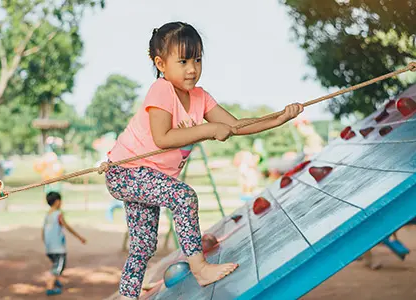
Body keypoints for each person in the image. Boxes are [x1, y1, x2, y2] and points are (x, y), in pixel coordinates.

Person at [104, 21, 303, 299]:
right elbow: (162, 137)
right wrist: (209, 130)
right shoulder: (161, 90)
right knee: (183, 197)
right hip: (126, 171)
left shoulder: (200, 97)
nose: (192, 68)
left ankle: (127, 295)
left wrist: (278, 118)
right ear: (161, 63)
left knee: (144, 245)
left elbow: (235, 125)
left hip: (146, 176)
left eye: (197, 59)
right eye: (183, 60)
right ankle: (199, 267)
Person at [42, 191, 87, 296]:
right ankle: (50, 287)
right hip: (58, 248)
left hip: (49, 248)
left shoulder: (47, 215)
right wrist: (80, 237)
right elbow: (67, 227)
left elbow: (42, 231)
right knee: (59, 267)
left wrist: (46, 243)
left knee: (56, 264)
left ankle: (55, 280)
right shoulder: (58, 214)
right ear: (57, 202)